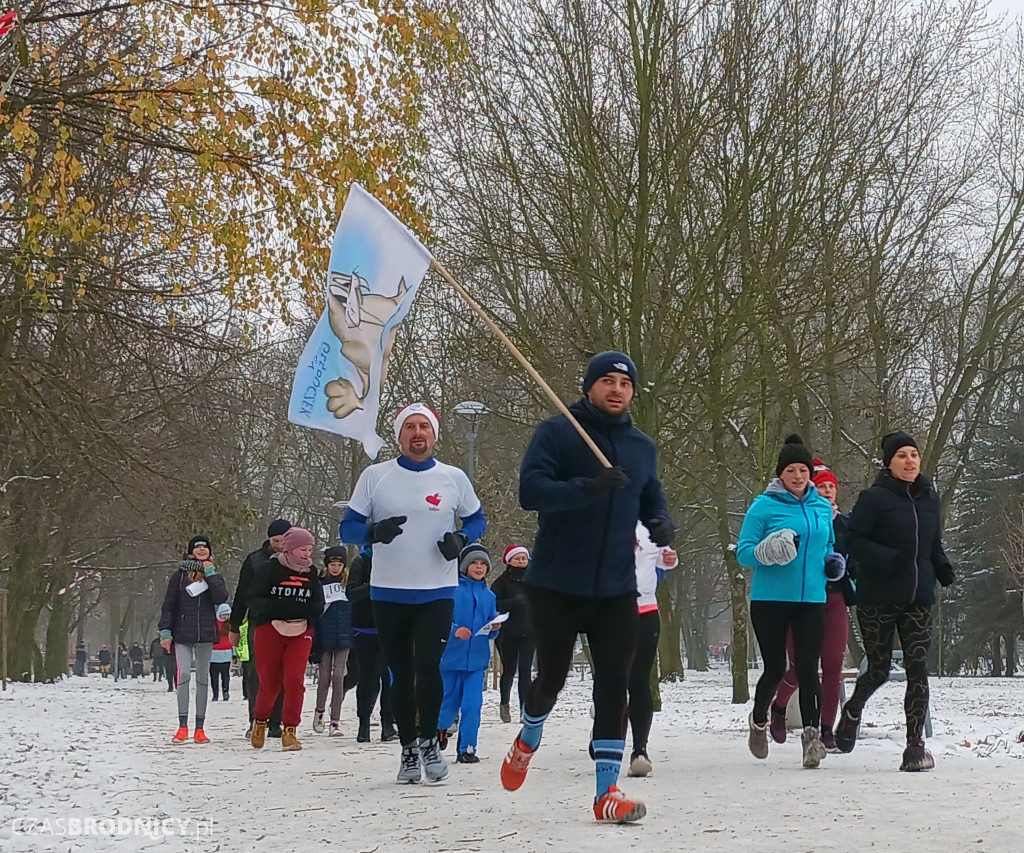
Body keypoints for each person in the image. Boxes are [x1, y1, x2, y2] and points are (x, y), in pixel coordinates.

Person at [500, 352, 674, 824]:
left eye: (625, 383)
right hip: (556, 584)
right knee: (552, 678)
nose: (616, 390)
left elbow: (649, 493)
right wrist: (588, 488)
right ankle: (530, 734)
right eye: (607, 381)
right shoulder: (558, 432)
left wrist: (660, 520)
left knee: (614, 683)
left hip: (616, 586)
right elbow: (531, 492)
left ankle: (606, 793)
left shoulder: (640, 445)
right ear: (589, 387)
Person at [340, 402, 486, 784]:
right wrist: (372, 533)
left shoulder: (453, 478)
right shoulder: (376, 476)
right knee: (400, 673)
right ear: (399, 435)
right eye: (410, 427)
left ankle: (430, 743)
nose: (417, 433)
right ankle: (407, 749)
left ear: (435, 435)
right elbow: (348, 529)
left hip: (437, 590)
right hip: (388, 592)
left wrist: (462, 538)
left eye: (424, 427)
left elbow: (477, 519)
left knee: (429, 668)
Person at [835, 432, 955, 771]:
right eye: (901, 455)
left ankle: (915, 746)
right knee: (878, 669)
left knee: (918, 669)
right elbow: (853, 541)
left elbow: (933, 543)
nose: (910, 461)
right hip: (878, 598)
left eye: (914, 455)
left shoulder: (929, 498)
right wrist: (891, 559)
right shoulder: (873, 498)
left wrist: (942, 567)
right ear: (889, 462)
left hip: (918, 598)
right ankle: (853, 710)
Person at [737, 435, 836, 769]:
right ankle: (758, 720)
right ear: (780, 474)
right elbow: (744, 552)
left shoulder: (821, 506)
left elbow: (828, 546)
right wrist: (768, 550)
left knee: (809, 667)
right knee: (777, 667)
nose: (797, 476)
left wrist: (834, 563)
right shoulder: (764, 505)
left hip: (811, 598)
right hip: (770, 599)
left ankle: (811, 739)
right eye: (790, 470)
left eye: (803, 470)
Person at [770, 458, 856, 752]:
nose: (828, 491)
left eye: (832, 486)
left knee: (833, 666)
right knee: (801, 668)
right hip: (804, 600)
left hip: (835, 598)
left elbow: (858, 556)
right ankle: (778, 706)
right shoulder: (802, 520)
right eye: (822, 487)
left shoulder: (846, 524)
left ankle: (825, 729)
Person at [246, 526, 325, 752]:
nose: (306, 554)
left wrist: (311, 612)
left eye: (310, 549)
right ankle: (260, 721)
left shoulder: (311, 573)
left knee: (294, 681)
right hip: (270, 628)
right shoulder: (269, 568)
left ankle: (290, 730)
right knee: (270, 683)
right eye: (302, 549)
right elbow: (253, 598)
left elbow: (318, 601)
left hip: (301, 630)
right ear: (290, 548)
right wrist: (277, 607)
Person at [159, 535, 229, 744]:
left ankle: (200, 728)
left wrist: (210, 573)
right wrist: (165, 632)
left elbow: (221, 597)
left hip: (205, 635)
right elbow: (169, 605)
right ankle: (182, 726)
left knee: (202, 680)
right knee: (183, 679)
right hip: (182, 635)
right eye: (197, 547)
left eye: (205, 547)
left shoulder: (212, 574)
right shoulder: (179, 576)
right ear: (190, 552)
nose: (201, 550)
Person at [437, 544, 502, 764]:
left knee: (473, 705)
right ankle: (438, 730)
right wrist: (455, 630)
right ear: (465, 566)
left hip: (476, 661)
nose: (479, 567)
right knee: (448, 704)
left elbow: (490, 623)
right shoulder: (451, 590)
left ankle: (467, 748)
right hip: (451, 659)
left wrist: (494, 628)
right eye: (474, 563)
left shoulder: (489, 595)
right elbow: (439, 620)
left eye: (483, 563)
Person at [624, 521, 678, 777]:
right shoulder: (598, 518)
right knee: (611, 679)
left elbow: (663, 560)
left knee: (639, 680)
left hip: (646, 610)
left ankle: (639, 751)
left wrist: (669, 559)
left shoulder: (650, 525)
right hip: (608, 611)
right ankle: (604, 735)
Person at [230, 518, 291, 739]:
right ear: (269, 539)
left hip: (288, 621)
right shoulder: (255, 560)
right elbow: (242, 593)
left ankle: (277, 722)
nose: (280, 544)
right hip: (259, 620)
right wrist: (235, 625)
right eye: (276, 540)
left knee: (283, 673)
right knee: (258, 672)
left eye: (284, 540)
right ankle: (257, 720)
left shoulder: (295, 560)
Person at [346, 544, 397, 743]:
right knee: (368, 677)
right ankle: (364, 724)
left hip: (391, 627)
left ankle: (388, 725)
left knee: (390, 678)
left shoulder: (398, 561)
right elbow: (351, 593)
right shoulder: (362, 561)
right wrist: (373, 586)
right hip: (365, 627)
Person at [313, 546, 354, 736]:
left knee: (338, 677)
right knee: (324, 677)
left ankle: (335, 721)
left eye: (339, 564)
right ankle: (319, 712)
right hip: (325, 635)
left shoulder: (349, 585)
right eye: (332, 564)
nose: (336, 568)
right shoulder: (320, 584)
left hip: (345, 635)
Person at [490, 545, 534, 724]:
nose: (521, 561)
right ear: (509, 561)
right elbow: (493, 605)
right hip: (506, 633)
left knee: (526, 671)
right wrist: (514, 602)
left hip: (530, 632)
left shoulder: (534, 580)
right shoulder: (501, 583)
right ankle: (505, 703)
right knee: (509, 670)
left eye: (524, 558)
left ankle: (525, 709)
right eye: (517, 558)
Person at [210, 604, 233, 701]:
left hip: (226, 654)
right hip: (213, 654)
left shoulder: (230, 625)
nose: (225, 617)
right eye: (223, 614)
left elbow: (233, 639)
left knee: (225, 675)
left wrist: (234, 654)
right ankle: (215, 693)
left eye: (227, 615)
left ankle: (225, 691)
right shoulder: (213, 624)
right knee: (214, 676)